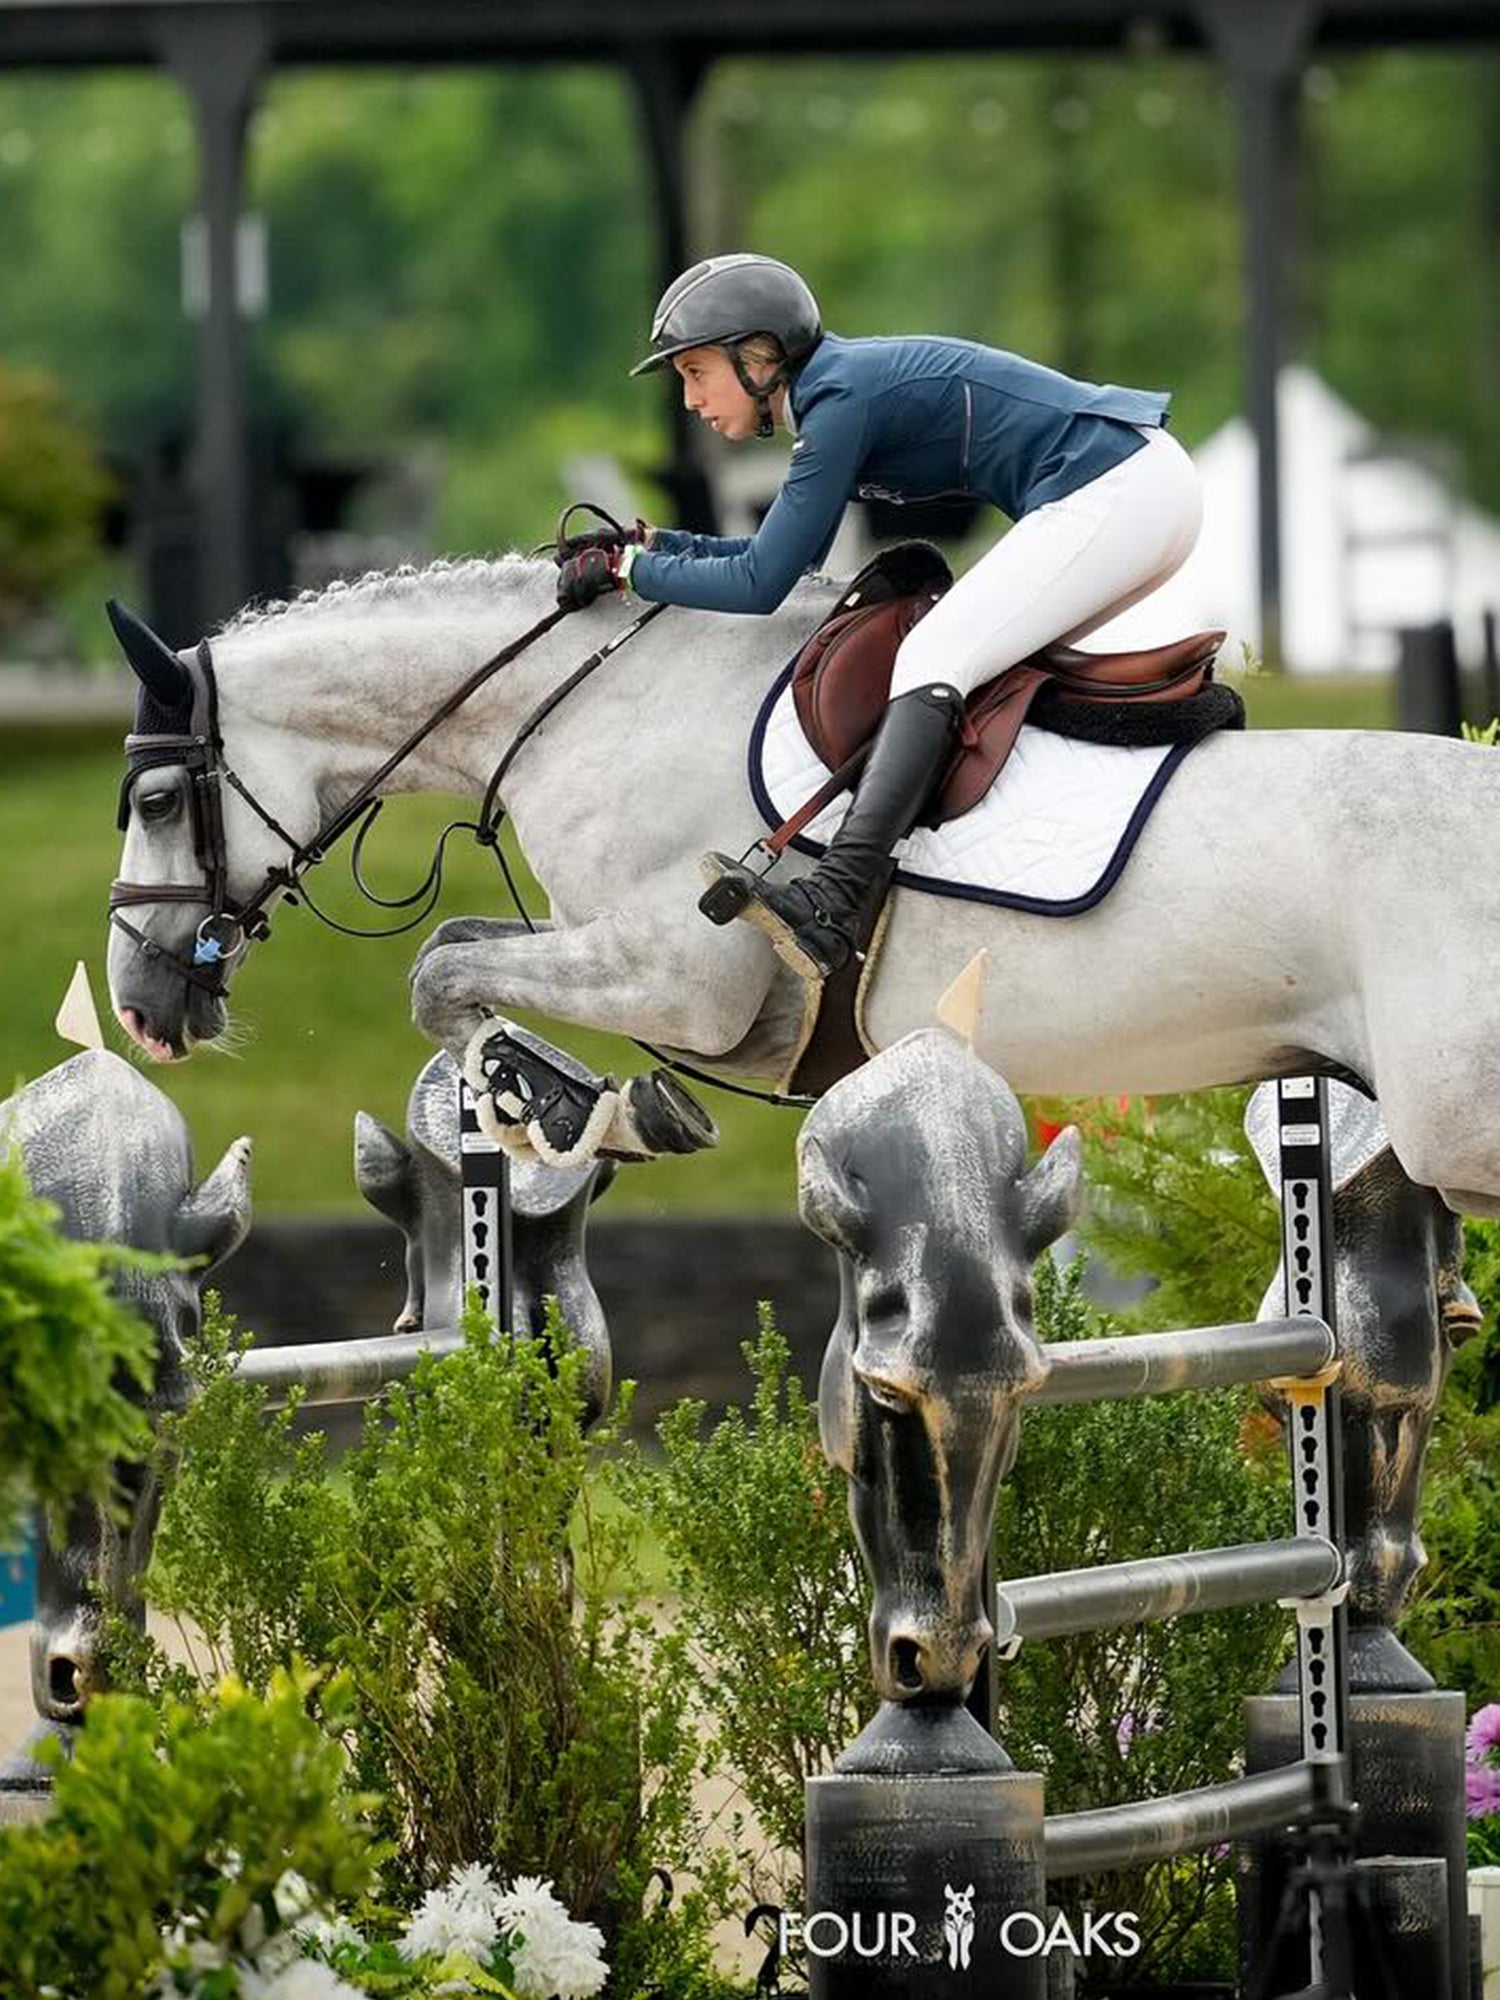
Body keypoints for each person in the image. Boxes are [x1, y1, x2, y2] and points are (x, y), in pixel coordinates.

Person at [555, 252, 1203, 982]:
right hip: (1140, 486)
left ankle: (835, 900)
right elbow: (775, 556)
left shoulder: (839, 400)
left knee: (932, 656)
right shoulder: (833, 394)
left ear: (760, 357)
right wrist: (655, 545)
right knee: (971, 665)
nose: (690, 400)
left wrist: (625, 572)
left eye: (696, 373)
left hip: (1118, 485)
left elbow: (763, 583)